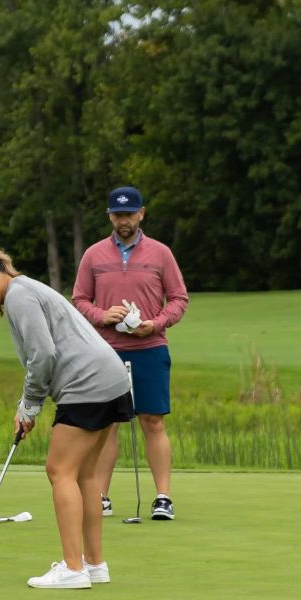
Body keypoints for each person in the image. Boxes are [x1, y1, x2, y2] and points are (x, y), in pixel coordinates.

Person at [0, 249, 131, 590]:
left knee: (59, 470)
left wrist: (29, 406)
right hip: (110, 380)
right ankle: (95, 565)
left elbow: (43, 354)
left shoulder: (19, 295)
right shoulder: (27, 290)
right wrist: (29, 402)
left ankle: (73, 568)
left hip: (87, 384)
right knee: (85, 475)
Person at [72, 185, 189, 521]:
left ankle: (163, 497)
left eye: (129, 214)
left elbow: (179, 299)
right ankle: (101, 496)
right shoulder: (94, 255)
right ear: (110, 216)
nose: (124, 221)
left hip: (150, 347)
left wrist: (156, 323)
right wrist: (101, 316)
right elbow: (79, 300)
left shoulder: (160, 253)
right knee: (108, 424)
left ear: (141, 214)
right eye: (118, 214)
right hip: (105, 350)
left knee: (153, 421)